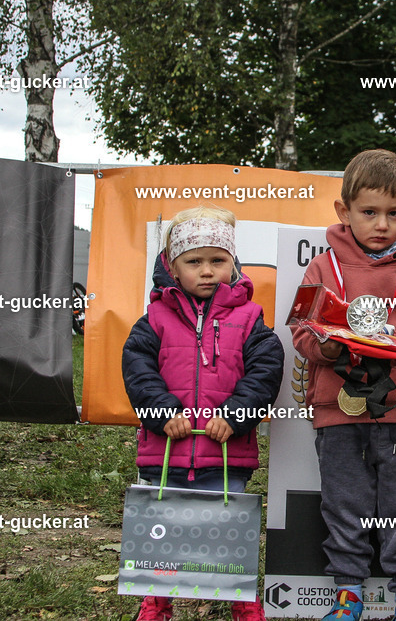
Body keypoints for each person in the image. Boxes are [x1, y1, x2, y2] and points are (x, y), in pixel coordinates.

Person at [292, 149, 396, 621]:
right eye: (369, 212)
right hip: (339, 413)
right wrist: (333, 346)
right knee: (344, 504)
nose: (383, 224)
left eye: (395, 214)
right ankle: (348, 593)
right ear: (344, 212)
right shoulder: (322, 268)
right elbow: (302, 329)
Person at [123, 206, 282, 621]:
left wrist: (236, 415)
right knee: (162, 531)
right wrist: (161, 412)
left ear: (234, 263)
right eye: (194, 261)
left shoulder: (250, 320)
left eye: (218, 260)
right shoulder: (152, 319)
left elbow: (265, 373)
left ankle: (243, 605)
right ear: (173, 269)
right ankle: (155, 602)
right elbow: (137, 371)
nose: (207, 271)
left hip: (224, 452)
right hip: (165, 452)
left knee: (227, 538)